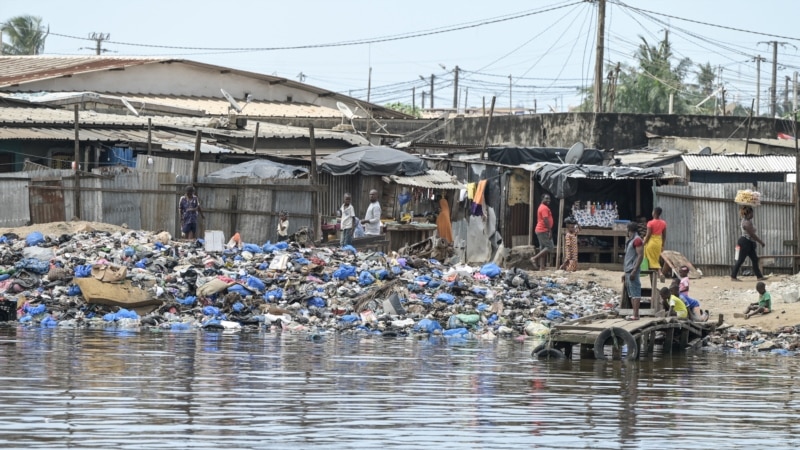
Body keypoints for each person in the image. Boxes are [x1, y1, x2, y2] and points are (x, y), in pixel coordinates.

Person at [731, 205, 766, 282]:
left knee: (754, 259)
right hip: (745, 242)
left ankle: (759, 276)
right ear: (749, 213)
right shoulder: (746, 223)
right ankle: (733, 276)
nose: (753, 215)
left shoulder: (747, 220)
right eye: (752, 213)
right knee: (741, 260)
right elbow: (752, 235)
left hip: (748, 242)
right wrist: (761, 242)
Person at [622, 221, 644, 320]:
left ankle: (636, 315)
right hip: (628, 269)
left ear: (629, 230)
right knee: (631, 293)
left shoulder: (637, 240)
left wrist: (634, 270)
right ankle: (634, 314)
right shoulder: (631, 240)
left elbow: (640, 255)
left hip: (632, 269)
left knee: (635, 292)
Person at [530, 194, 554, 270]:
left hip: (540, 230)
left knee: (543, 248)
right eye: (546, 198)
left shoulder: (542, 207)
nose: (548, 200)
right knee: (550, 247)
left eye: (549, 199)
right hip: (543, 230)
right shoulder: (544, 208)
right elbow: (545, 219)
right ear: (542, 199)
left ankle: (542, 267)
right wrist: (550, 230)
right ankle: (534, 258)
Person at [643, 207, 666, 279]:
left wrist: (643, 243)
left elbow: (648, 235)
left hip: (651, 243)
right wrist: (662, 245)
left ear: (654, 213)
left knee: (650, 262)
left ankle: (653, 280)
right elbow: (664, 235)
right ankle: (660, 273)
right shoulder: (663, 223)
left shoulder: (650, 223)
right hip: (658, 243)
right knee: (655, 260)